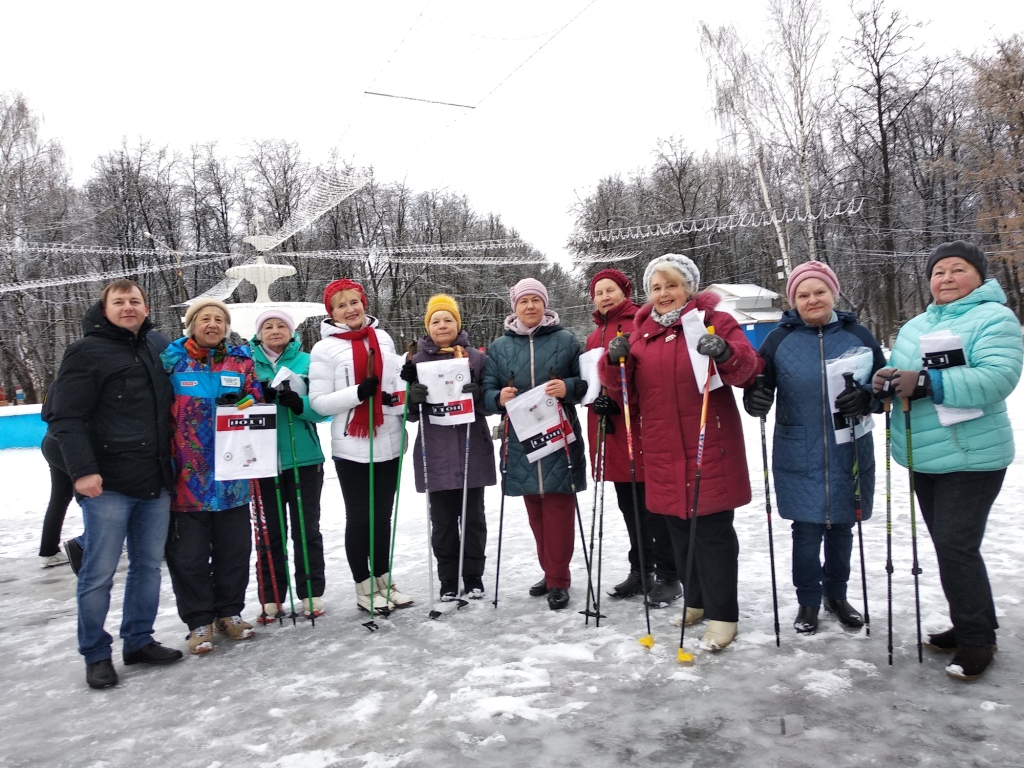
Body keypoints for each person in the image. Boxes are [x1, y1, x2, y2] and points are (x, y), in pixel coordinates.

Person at [872, 241, 1022, 681]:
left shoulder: (995, 318)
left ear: (979, 276)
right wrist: (885, 382)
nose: (947, 279)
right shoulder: (916, 325)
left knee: (957, 546)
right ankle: (968, 622)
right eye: (938, 272)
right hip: (927, 457)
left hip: (974, 455)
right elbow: (899, 374)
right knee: (951, 547)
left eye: (958, 270)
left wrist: (927, 383)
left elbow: (998, 377)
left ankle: (978, 639)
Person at [601, 254, 761, 651]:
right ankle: (697, 600)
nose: (663, 294)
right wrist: (613, 363)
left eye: (671, 285)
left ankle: (723, 614)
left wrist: (724, 352)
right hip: (659, 447)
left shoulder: (714, 322)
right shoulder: (641, 334)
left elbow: (746, 371)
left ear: (688, 287)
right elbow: (625, 396)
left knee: (711, 531)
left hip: (708, 442)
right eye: (656, 287)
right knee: (677, 528)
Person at [46, 279, 182, 689]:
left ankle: (138, 640)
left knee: (147, 568)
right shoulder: (85, 352)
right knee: (99, 572)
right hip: (108, 484)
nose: (128, 307)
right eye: (119, 302)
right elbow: (64, 417)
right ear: (104, 309)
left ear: (145, 307)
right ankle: (96, 653)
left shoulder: (157, 347)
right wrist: (82, 471)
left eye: (135, 301)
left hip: (155, 480)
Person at [743, 261, 884, 635]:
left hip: (849, 448)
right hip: (797, 449)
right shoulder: (778, 339)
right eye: (803, 295)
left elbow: (884, 388)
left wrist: (868, 397)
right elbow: (760, 386)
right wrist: (754, 400)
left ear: (833, 294)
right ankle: (808, 599)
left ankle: (837, 595)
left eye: (819, 291)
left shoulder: (860, 335)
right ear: (794, 301)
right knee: (806, 532)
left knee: (841, 527)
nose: (812, 299)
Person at [162, 298, 263, 654]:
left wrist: (239, 403)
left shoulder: (240, 360)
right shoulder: (172, 361)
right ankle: (198, 621)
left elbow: (255, 399)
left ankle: (229, 613)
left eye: (219, 319)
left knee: (233, 550)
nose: (213, 324)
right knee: (188, 555)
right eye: (205, 318)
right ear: (192, 325)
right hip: (187, 478)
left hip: (233, 477)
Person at [309, 279, 414, 615]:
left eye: (354, 302)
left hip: (390, 440)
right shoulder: (323, 350)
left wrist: (407, 383)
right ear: (332, 312)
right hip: (351, 445)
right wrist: (358, 392)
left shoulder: (382, 338)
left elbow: (396, 387)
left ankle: (384, 580)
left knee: (383, 517)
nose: (350, 309)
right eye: (341, 305)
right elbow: (319, 403)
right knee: (360, 518)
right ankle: (364, 586)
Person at [482, 278, 587, 611]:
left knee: (558, 509)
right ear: (514, 307)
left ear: (545, 304)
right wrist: (498, 396)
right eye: (523, 301)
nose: (530, 306)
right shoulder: (499, 347)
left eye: (535, 300)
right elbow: (487, 391)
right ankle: (551, 571)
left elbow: (585, 384)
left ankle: (559, 579)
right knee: (536, 513)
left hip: (559, 435)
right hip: (520, 439)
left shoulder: (567, 340)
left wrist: (567, 387)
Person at [585, 269, 680, 607]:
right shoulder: (595, 334)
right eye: (599, 292)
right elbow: (590, 379)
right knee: (629, 506)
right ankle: (641, 570)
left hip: (635, 426)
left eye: (611, 290)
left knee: (651, 506)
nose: (605, 296)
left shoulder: (639, 322)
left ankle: (670, 574)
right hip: (607, 430)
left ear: (624, 291)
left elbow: (646, 373)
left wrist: (621, 397)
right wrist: (592, 396)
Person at [403, 294, 495, 600]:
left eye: (448, 319)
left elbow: (491, 402)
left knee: (473, 519)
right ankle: (447, 578)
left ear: (458, 323)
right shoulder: (416, 362)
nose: (442, 325)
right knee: (442, 522)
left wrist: (479, 394)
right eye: (435, 321)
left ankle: (473, 576)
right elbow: (407, 414)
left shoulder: (476, 358)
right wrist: (411, 399)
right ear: (427, 327)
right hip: (436, 454)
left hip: (471, 450)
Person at [250, 308, 329, 620]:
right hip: (260, 461)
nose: (274, 331)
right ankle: (271, 597)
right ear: (259, 334)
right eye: (267, 326)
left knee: (306, 527)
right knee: (269, 531)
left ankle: (311, 592)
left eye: (280, 325)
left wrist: (302, 405)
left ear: (291, 331)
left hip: (304, 457)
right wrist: (256, 399)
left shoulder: (308, 361)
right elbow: (235, 404)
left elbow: (324, 410)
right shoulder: (247, 363)